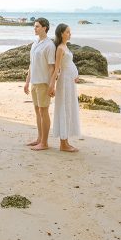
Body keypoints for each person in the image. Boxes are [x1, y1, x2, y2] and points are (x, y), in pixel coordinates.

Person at [23, 17, 55, 150]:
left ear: (45, 28)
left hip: (43, 83)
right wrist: (27, 82)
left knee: (44, 111)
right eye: (34, 26)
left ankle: (45, 142)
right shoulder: (35, 43)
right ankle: (39, 138)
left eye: (37, 26)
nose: (34, 28)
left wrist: (52, 86)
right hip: (34, 82)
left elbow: (52, 68)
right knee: (37, 111)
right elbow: (32, 64)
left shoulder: (49, 45)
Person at [48, 23, 81, 152]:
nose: (70, 34)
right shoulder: (60, 48)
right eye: (67, 32)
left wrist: (76, 74)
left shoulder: (65, 47)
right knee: (64, 108)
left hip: (70, 82)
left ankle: (66, 141)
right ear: (61, 33)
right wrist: (52, 85)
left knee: (69, 108)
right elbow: (57, 68)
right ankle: (63, 143)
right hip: (65, 83)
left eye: (70, 31)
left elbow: (69, 63)